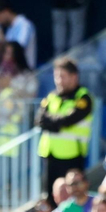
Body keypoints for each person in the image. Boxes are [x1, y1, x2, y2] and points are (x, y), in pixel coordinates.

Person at [35, 59, 92, 195]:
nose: (58, 81)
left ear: (74, 77)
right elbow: (39, 120)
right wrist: (58, 123)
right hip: (50, 154)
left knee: (72, 195)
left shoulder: (83, 97)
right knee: (49, 195)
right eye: (56, 76)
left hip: (72, 156)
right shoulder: (51, 96)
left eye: (62, 76)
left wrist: (53, 123)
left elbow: (69, 120)